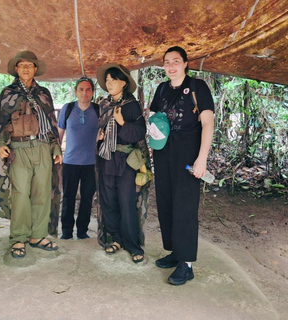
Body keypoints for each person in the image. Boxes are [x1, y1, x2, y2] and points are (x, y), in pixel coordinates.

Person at [150, 46, 214, 285]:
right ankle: (176, 252)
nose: (171, 66)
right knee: (166, 201)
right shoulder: (162, 89)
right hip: (164, 152)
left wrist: (202, 158)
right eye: (167, 62)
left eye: (176, 61)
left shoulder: (198, 87)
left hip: (188, 152)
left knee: (185, 206)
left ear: (186, 63)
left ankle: (186, 264)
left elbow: (208, 124)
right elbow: (156, 120)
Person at [0, 51, 62, 259]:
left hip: (43, 147)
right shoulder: (7, 93)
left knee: (42, 193)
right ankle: (18, 237)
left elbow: (51, 122)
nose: (25, 69)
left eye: (29, 65)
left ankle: (38, 235)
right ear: (16, 69)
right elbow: (0, 122)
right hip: (19, 148)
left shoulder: (44, 93)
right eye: (21, 65)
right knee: (20, 193)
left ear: (35, 69)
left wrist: (56, 146)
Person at [96, 63, 148, 263]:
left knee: (127, 203)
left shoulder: (131, 105)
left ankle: (133, 245)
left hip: (125, 161)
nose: (109, 84)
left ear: (124, 83)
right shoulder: (103, 104)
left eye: (113, 80)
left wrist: (122, 123)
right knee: (109, 202)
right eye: (107, 80)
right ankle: (115, 239)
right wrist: (99, 136)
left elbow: (139, 132)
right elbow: (98, 128)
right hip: (106, 159)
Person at [57, 77, 99, 240]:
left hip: (91, 163)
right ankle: (67, 231)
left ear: (93, 93)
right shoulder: (67, 109)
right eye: (81, 89)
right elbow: (59, 133)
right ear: (75, 92)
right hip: (70, 162)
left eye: (88, 89)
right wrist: (57, 153)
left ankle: (82, 230)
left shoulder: (98, 110)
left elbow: (101, 135)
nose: (84, 93)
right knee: (68, 196)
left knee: (87, 198)